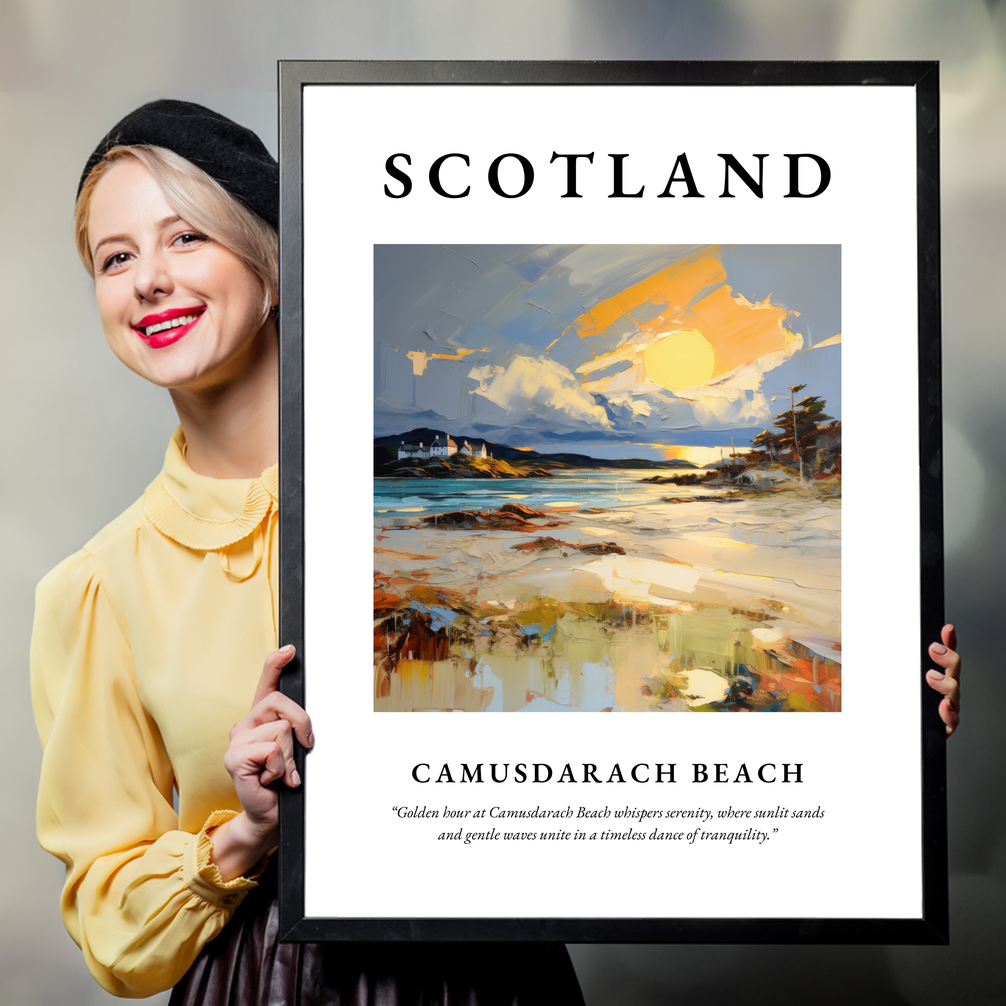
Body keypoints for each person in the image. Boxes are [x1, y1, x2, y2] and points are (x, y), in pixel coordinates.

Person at [30, 100, 585, 1004]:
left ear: (273, 264)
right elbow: (110, 924)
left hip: (492, 972)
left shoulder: (435, 508)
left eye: (186, 239)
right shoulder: (97, 587)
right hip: (263, 981)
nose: (148, 281)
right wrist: (245, 832)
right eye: (116, 257)